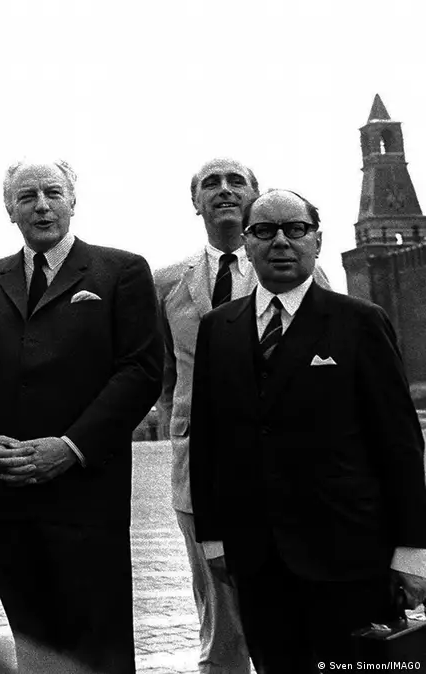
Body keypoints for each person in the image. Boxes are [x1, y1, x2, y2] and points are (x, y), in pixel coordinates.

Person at [189, 189, 426, 671]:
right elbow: (208, 442)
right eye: (264, 230)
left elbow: (399, 444)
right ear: (247, 244)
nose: (280, 241)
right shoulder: (219, 328)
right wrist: (212, 538)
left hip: (349, 555)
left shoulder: (359, 322)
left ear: (317, 241)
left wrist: (412, 551)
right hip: (257, 559)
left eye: (295, 229)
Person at [0, 159, 163, 674]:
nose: (42, 206)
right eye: (27, 196)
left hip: (87, 494)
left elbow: (140, 371)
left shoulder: (121, 271)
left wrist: (70, 447)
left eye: (53, 193)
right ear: (10, 210)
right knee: (33, 643)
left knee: (99, 644)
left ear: (73, 201)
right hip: (8, 493)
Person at [154, 158, 332, 673]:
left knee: (295, 617)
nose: (224, 190)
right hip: (202, 470)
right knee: (220, 622)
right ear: (195, 203)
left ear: (255, 196)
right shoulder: (166, 282)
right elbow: (164, 372)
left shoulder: (295, 267)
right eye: (211, 183)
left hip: (289, 467)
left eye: (237, 181)